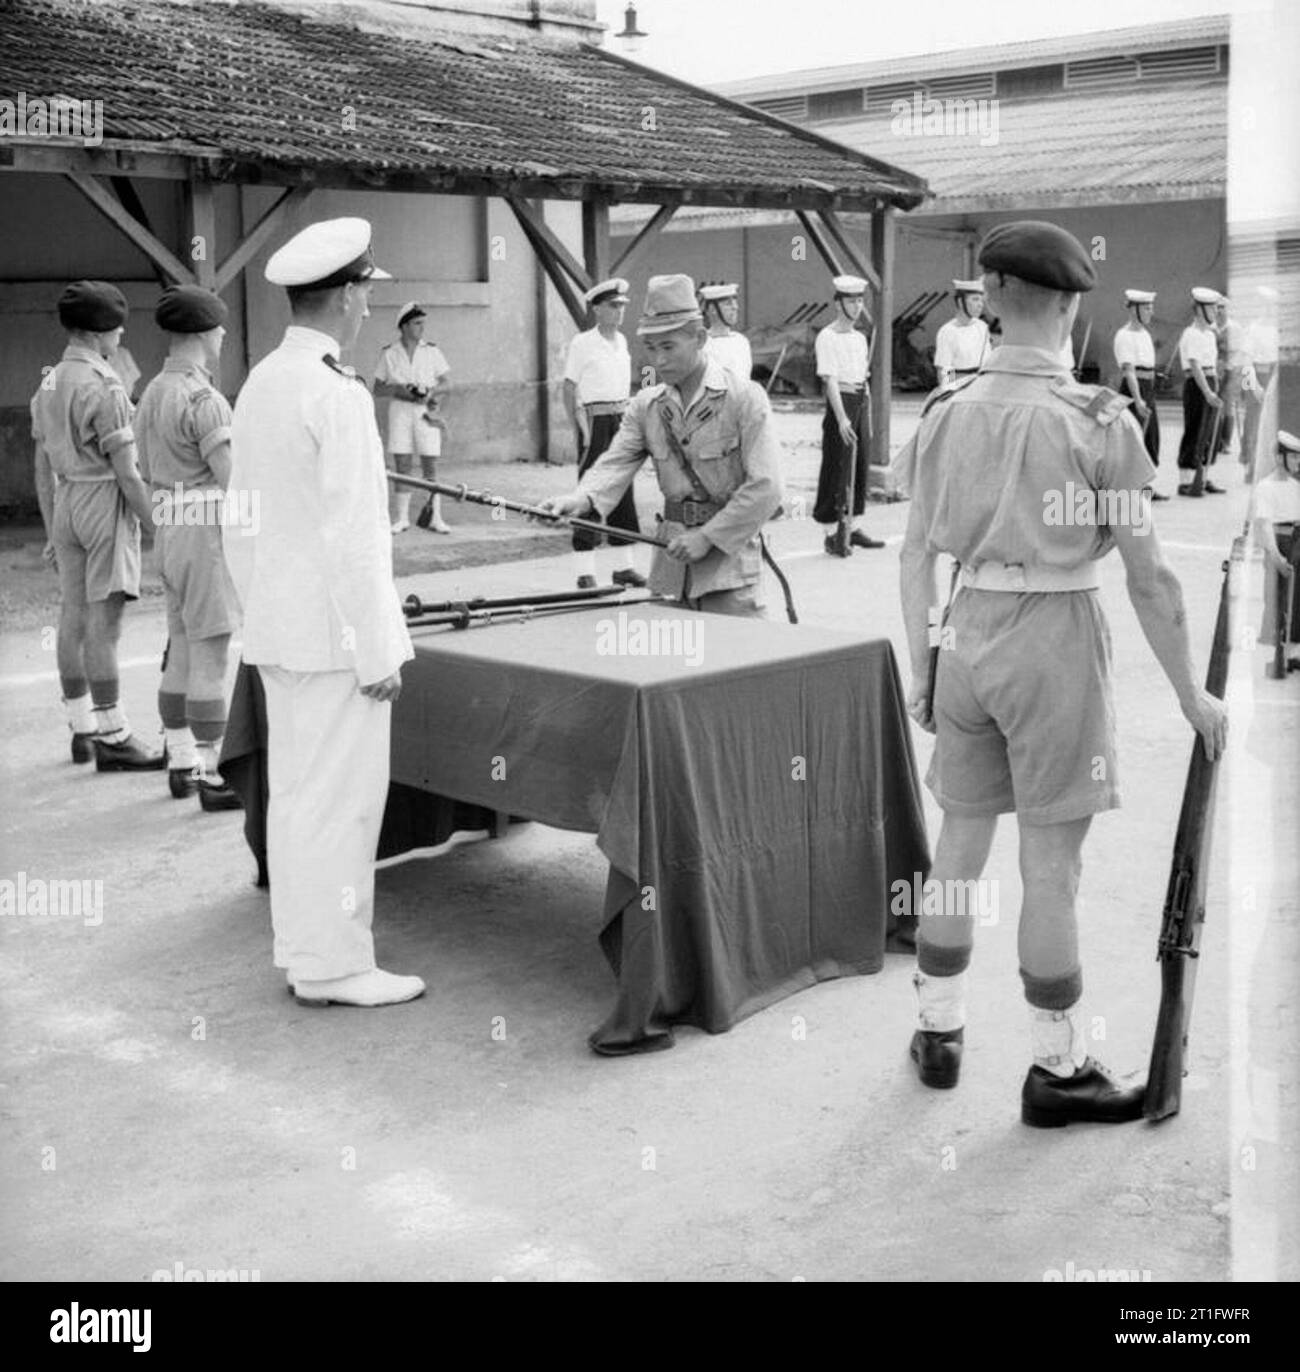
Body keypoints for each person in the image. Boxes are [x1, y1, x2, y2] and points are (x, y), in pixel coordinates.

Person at [897, 220, 1227, 1127]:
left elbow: (916, 552)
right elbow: (1150, 575)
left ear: (991, 297)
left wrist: (924, 662)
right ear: (1074, 305)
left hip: (965, 630)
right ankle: (1058, 1068)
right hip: (1054, 637)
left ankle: (939, 1029)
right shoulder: (1101, 423)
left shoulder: (945, 410)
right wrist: (1189, 693)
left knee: (961, 844)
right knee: (1051, 868)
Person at [224, 218, 422, 1009]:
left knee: (300, 801)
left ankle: (308, 955)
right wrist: (379, 650)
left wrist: (261, 613)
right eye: (365, 295)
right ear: (342, 297)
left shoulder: (262, 382)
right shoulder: (336, 394)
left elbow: (237, 521)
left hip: (279, 631)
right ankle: (338, 966)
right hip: (337, 641)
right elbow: (356, 538)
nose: (369, 308)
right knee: (341, 807)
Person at [542, 274, 782, 617]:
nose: (659, 361)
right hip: (670, 570)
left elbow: (767, 488)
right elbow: (615, 462)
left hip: (729, 573)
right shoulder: (646, 406)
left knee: (736, 664)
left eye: (668, 347)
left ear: (699, 338)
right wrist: (581, 498)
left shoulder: (743, 399)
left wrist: (707, 537)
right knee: (670, 668)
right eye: (651, 349)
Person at [31, 280, 164, 771]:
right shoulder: (104, 385)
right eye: (117, 328)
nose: (120, 336)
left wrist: (50, 528)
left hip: (66, 499)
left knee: (72, 615)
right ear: (101, 332)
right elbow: (128, 471)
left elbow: (41, 467)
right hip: (103, 497)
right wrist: (156, 526)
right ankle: (115, 735)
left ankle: (81, 727)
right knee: (105, 624)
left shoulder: (47, 380)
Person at [133, 284, 241, 810]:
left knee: (180, 644)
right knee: (211, 654)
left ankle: (180, 761)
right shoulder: (205, 399)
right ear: (202, 332)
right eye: (218, 327)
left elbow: (145, 471)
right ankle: (213, 773)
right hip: (203, 529)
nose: (223, 334)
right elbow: (232, 481)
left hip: (168, 524)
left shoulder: (151, 392)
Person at [561, 277, 644, 589]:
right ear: (597, 308)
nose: (619, 311)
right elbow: (569, 388)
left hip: (621, 418)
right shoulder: (583, 343)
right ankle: (585, 571)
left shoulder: (622, 342)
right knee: (590, 490)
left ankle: (624, 567)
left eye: (622, 306)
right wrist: (579, 429)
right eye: (613, 306)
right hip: (595, 421)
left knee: (623, 489)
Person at [813, 274, 882, 554]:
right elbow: (829, 380)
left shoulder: (859, 338)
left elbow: (864, 379)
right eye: (851, 301)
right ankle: (830, 530)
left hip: (860, 398)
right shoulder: (827, 337)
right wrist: (841, 417)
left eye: (859, 301)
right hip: (840, 399)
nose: (857, 307)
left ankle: (852, 526)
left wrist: (869, 412)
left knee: (859, 463)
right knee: (836, 463)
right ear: (839, 304)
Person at [373, 302, 451, 534]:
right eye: (417, 323)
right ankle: (401, 518)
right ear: (404, 326)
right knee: (402, 465)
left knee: (430, 463)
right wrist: (398, 389)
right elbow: (377, 388)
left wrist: (430, 392)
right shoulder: (390, 353)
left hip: (425, 411)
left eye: (423, 323)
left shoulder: (432, 351)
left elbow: (448, 383)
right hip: (400, 411)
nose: (421, 328)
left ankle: (435, 516)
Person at [1253, 430, 1300, 673]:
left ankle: (1293, 654)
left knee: (1297, 600)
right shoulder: (1266, 487)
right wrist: (1275, 556)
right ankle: (1277, 653)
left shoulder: (1295, 486)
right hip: (1279, 544)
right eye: (1293, 457)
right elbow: (1264, 526)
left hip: (1296, 544)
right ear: (1279, 458)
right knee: (1278, 601)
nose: (1297, 462)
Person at [1113, 288, 1166, 498]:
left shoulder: (1144, 334)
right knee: (1134, 438)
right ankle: (1130, 488)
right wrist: (1138, 400)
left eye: (1151, 308)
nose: (1151, 312)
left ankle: (1144, 485)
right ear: (1134, 310)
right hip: (1133, 391)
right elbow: (1129, 371)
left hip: (1147, 388)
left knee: (1152, 437)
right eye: (1147, 308)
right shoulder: (1123, 336)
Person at [1175, 286, 1225, 496]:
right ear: (1200, 310)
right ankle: (1186, 480)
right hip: (1197, 385)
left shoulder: (1209, 335)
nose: (1216, 312)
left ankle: (1203, 476)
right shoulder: (1191, 333)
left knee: (1210, 431)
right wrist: (1207, 392)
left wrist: (1215, 386)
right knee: (1195, 430)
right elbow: (1195, 366)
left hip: (1210, 381)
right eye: (1212, 309)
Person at [933, 278, 989, 386]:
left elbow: (987, 361)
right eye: (975, 299)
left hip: (981, 386)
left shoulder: (982, 327)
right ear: (960, 302)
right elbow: (945, 370)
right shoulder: (948, 331)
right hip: (959, 387)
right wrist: (950, 393)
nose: (980, 304)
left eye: (981, 300)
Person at [1214, 293, 1248, 459]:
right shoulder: (1211, 327)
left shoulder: (1235, 328)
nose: (1220, 311)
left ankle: (1226, 442)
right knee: (1214, 405)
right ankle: (1213, 441)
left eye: (1223, 308)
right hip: (1215, 369)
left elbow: (1240, 350)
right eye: (1217, 308)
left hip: (1232, 370)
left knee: (1228, 406)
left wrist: (1231, 366)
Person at [700, 282, 753, 382]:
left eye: (735, 302)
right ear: (713, 309)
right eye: (728, 304)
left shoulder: (741, 341)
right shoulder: (702, 344)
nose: (735, 307)